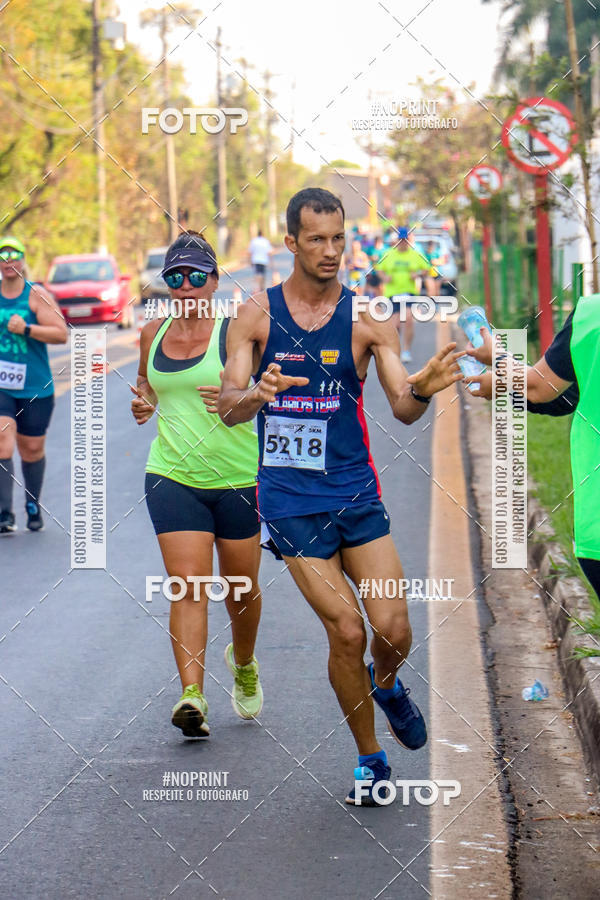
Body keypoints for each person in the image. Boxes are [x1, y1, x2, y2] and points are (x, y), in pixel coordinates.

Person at [218, 188, 465, 805]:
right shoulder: (254, 315)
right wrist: (260, 393)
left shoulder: (368, 317)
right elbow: (227, 410)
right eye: (318, 239)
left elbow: (404, 408)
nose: (331, 251)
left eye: (339, 238)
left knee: (394, 627)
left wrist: (426, 387)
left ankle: (387, 685)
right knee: (348, 632)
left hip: (355, 492)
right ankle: (370, 759)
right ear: (292, 242)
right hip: (289, 501)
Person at [131, 230, 264, 738]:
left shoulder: (234, 332)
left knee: (241, 590)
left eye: (195, 276)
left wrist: (243, 396)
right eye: (175, 277)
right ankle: (192, 695)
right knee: (187, 585)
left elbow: (258, 393)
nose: (185, 286)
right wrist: (144, 400)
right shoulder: (152, 333)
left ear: (213, 280)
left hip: (238, 477)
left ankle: (245, 662)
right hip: (172, 474)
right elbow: (146, 382)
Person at [465, 301, 600, 601]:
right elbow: (571, 394)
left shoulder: (592, 315)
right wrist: (509, 386)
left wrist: (498, 359)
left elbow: (540, 386)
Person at [0, 236, 68, 534]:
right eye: (3, 257)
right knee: (3, 441)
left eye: (14, 257)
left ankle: (32, 504)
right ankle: (4, 514)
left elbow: (60, 334)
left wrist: (26, 328)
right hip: (2, 386)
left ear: (22, 260)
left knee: (31, 449)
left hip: (35, 386)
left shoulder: (35, 295)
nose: (8, 263)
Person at [375, 226, 429, 363]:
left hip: (409, 292)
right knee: (395, 324)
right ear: (397, 240)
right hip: (392, 293)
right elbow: (379, 270)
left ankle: (406, 350)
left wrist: (416, 274)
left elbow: (427, 269)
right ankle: (395, 348)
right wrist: (385, 278)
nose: (403, 243)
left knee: (409, 319)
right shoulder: (388, 254)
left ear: (408, 240)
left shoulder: (415, 254)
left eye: (405, 240)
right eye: (401, 240)